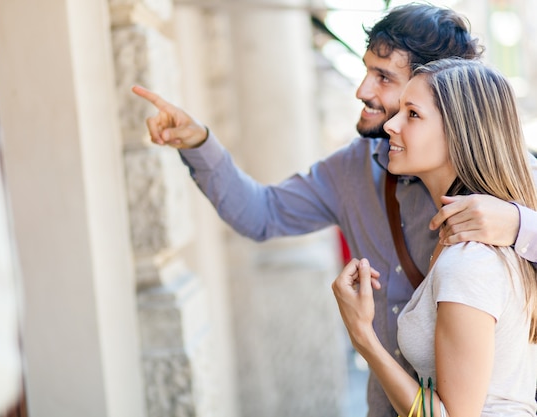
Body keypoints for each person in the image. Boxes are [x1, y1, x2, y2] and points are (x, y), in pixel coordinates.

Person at [132, 4, 537, 416]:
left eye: (384, 77)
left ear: (442, 92)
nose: (362, 90)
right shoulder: (352, 167)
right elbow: (260, 214)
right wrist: (198, 142)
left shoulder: (503, 172)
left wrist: (521, 225)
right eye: (367, 70)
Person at [332, 58, 537, 417]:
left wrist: (363, 336)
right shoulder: (459, 239)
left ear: (460, 133)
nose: (391, 125)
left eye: (412, 114)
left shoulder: (469, 259)